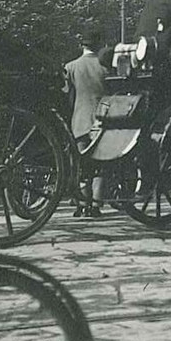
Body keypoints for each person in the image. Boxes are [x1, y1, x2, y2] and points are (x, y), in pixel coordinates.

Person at [64, 26, 109, 216]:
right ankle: (97, 206)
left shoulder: (71, 67)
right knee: (101, 164)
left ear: (81, 45)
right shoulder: (106, 67)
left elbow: (67, 95)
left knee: (82, 165)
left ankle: (82, 205)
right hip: (103, 120)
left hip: (79, 120)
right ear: (99, 45)